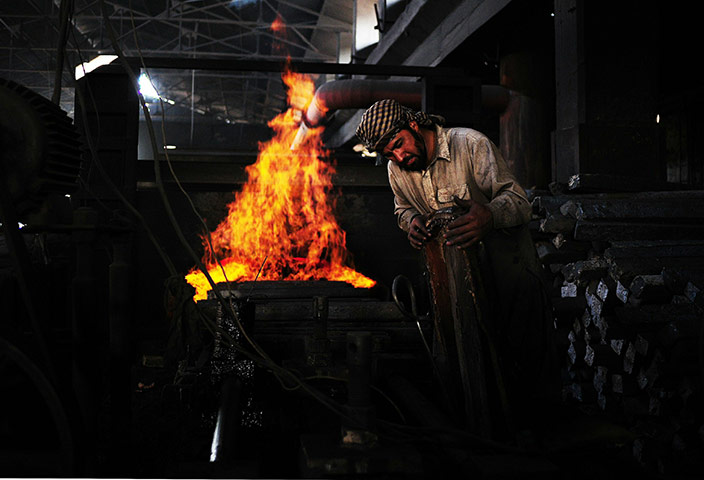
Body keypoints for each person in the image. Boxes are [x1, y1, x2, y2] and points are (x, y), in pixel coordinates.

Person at [356, 98, 555, 432]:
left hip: (510, 278)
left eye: (399, 145)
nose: (399, 157)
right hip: (456, 290)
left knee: (522, 377)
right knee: (467, 376)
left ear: (414, 125)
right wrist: (412, 222)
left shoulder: (470, 145)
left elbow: (520, 202)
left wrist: (490, 215)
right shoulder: (397, 171)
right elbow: (401, 210)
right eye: (389, 154)